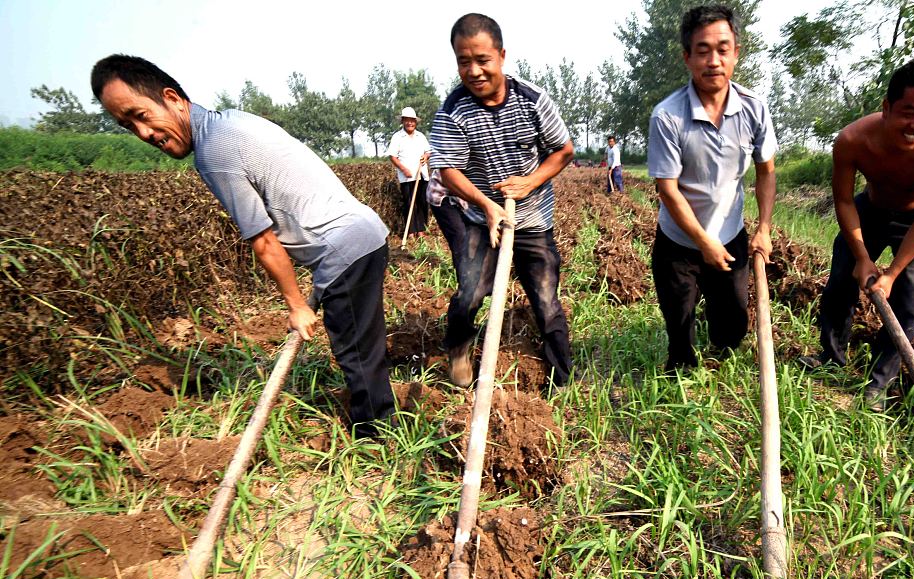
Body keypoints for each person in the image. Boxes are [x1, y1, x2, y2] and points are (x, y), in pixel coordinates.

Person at [91, 55, 395, 437]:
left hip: (343, 248)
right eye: (127, 125)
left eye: (141, 115)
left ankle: (376, 439)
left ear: (172, 98)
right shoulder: (231, 121)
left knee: (356, 353)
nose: (143, 133)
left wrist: (297, 305)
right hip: (361, 234)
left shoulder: (213, 151)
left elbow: (263, 240)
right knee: (362, 344)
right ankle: (378, 424)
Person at [800, 56, 914, 411]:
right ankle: (831, 356)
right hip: (868, 210)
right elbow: (843, 201)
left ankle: (879, 381)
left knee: (908, 293)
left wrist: (890, 273)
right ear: (887, 107)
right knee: (842, 278)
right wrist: (862, 258)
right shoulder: (853, 139)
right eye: (909, 111)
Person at [429, 12, 576, 390]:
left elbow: (564, 150)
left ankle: (562, 379)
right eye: (464, 62)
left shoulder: (532, 99)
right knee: (470, 292)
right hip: (482, 220)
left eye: (482, 60)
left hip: (533, 221)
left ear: (501, 56)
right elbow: (448, 171)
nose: (474, 71)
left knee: (546, 301)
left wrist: (531, 181)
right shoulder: (452, 111)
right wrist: (487, 205)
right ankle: (458, 348)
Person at [647, 5, 776, 372]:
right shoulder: (668, 116)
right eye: (702, 51)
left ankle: (720, 345)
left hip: (731, 235)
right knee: (680, 335)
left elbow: (766, 170)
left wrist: (764, 228)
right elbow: (668, 189)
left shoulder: (754, 108)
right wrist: (703, 242)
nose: (714, 60)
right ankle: (682, 374)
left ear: (737, 52)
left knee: (732, 330)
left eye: (723, 49)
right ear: (687, 57)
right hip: (679, 242)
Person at [386, 107, 431, 238]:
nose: (410, 123)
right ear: (403, 121)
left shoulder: (420, 136)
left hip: (421, 174)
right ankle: (411, 231)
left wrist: (426, 157)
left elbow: (428, 151)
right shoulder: (397, 137)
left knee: (422, 202)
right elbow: (392, 156)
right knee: (409, 203)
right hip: (407, 177)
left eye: (412, 121)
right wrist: (404, 169)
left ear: (415, 122)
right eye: (407, 121)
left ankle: (421, 230)